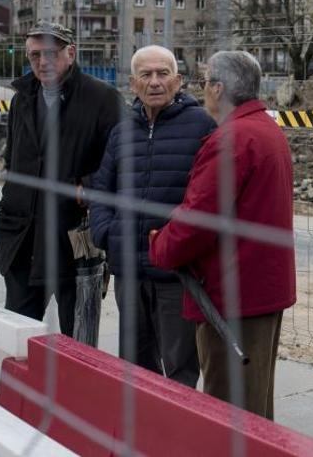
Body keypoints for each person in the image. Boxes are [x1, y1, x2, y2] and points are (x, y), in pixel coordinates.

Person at [148, 51, 295, 418]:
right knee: (254, 407)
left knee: (229, 413)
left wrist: (159, 245)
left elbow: (197, 221)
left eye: (204, 82)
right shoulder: (263, 129)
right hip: (256, 291)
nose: (202, 90)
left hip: (231, 300)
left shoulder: (231, 139)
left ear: (218, 88)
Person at [90, 45, 215, 387]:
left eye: (163, 74)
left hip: (175, 275)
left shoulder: (202, 126)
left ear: (178, 81)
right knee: (134, 366)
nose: (155, 82)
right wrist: (106, 234)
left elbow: (208, 197)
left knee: (180, 369)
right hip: (129, 271)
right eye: (146, 75)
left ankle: (177, 438)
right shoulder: (121, 132)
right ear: (133, 83)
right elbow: (102, 189)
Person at [0, 21, 123, 336]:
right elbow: (14, 158)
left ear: (71, 53)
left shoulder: (103, 98)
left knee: (78, 341)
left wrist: (89, 188)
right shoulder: (21, 98)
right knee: (19, 340)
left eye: (50, 54)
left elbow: (123, 158)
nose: (41, 62)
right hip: (23, 240)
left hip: (75, 240)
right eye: (34, 55)